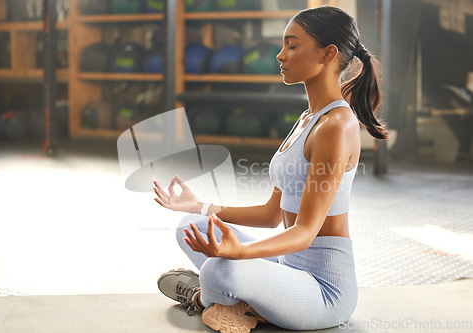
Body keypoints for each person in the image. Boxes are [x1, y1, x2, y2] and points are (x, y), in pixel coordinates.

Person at [153, 5, 387, 333]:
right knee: (191, 225)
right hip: (287, 267)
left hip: (323, 292)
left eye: (292, 46)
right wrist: (200, 206)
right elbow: (271, 215)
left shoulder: (337, 125)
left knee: (217, 270)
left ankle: (204, 295)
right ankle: (232, 299)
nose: (280, 55)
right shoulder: (308, 119)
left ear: (328, 54)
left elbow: (305, 232)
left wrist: (240, 252)